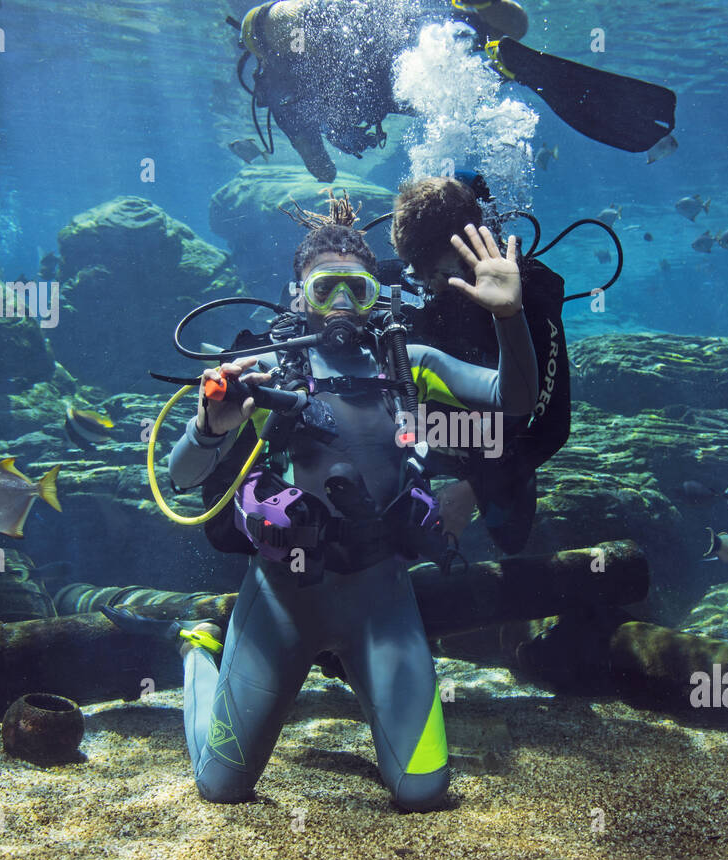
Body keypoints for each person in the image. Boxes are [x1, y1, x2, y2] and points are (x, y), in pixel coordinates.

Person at [166, 201, 537, 810]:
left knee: (423, 791)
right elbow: (181, 479)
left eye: (357, 288)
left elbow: (514, 398)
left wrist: (509, 316)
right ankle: (197, 650)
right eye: (325, 286)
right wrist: (210, 424)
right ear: (298, 295)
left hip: (382, 598)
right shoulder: (261, 373)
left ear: (377, 295)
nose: (341, 302)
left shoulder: (409, 365)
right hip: (280, 602)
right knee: (221, 786)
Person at [232, 0, 674, 181]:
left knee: (445, 82)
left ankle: (488, 59)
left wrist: (318, 146)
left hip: (393, 77)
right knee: (477, 32)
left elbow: (322, 170)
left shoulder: (280, 85)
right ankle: (473, 24)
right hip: (402, 35)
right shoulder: (322, 27)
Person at [384, 174, 570, 553]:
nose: (431, 287)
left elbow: (552, 429)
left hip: (497, 445)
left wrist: (473, 489)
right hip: (419, 436)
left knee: (511, 539)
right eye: (416, 272)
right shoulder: (395, 286)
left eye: (442, 274)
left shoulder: (529, 295)